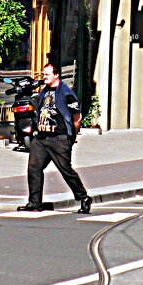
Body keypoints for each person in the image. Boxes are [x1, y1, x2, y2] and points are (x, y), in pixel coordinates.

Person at [18, 62, 93, 214]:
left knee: (65, 170)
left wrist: (71, 136)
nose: (44, 77)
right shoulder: (43, 91)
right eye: (43, 74)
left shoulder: (66, 93)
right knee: (34, 167)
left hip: (59, 138)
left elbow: (77, 117)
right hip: (41, 138)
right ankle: (34, 203)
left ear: (56, 75)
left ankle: (83, 197)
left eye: (47, 74)